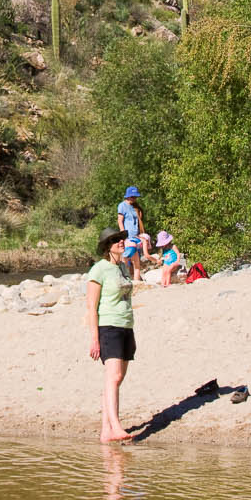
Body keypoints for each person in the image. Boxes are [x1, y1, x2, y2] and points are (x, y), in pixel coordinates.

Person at [86, 229, 136, 443]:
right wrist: (95, 339)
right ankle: (116, 426)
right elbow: (91, 307)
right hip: (108, 326)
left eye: (122, 239)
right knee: (113, 377)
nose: (121, 242)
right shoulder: (99, 270)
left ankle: (106, 430)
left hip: (126, 325)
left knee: (116, 378)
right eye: (116, 240)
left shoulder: (123, 267)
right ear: (108, 246)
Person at [116, 188, 146, 281]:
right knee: (125, 259)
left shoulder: (135, 207)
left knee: (136, 261)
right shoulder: (122, 206)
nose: (134, 199)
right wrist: (123, 236)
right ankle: (126, 279)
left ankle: (136, 282)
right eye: (132, 197)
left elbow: (138, 222)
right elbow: (120, 221)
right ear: (128, 196)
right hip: (127, 237)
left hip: (136, 236)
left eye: (135, 197)